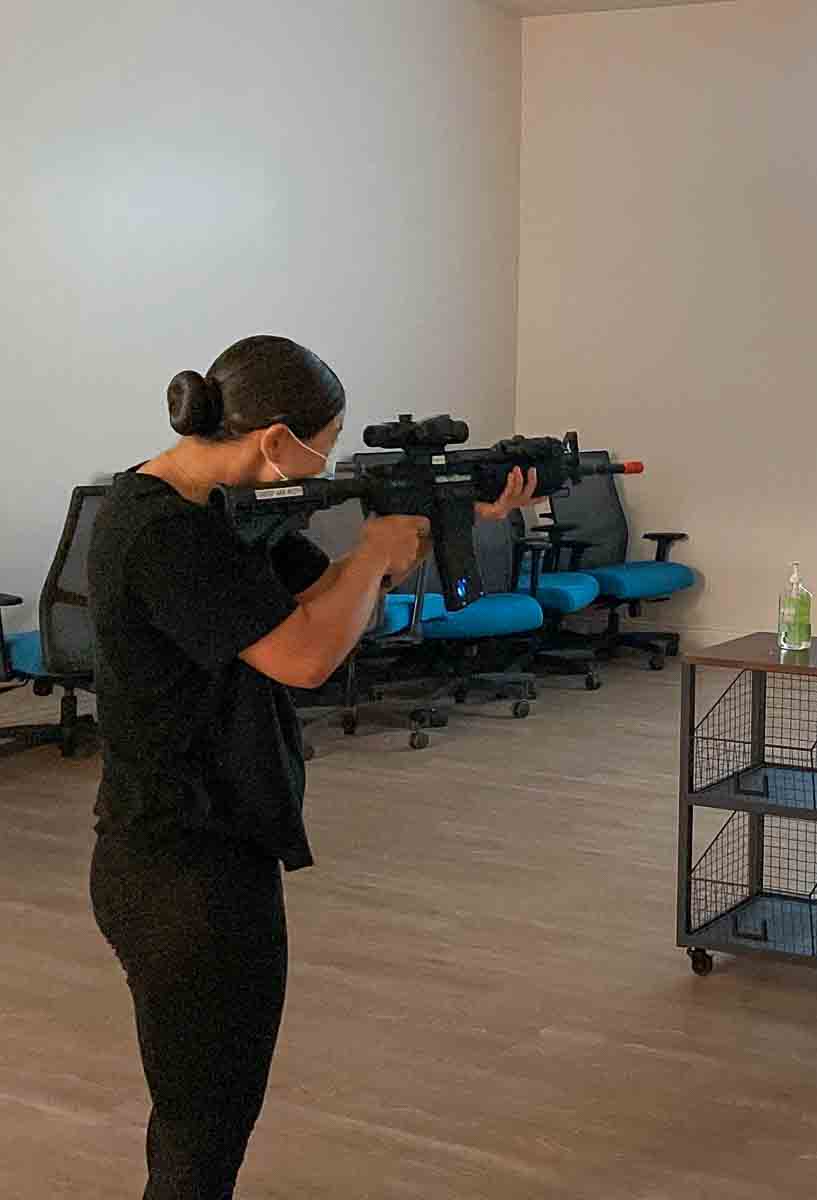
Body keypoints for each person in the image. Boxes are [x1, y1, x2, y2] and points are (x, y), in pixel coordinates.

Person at [86, 335, 535, 1199]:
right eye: (324, 448)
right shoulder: (160, 532)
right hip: (179, 867)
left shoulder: (221, 512)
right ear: (275, 441)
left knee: (208, 1117)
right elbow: (302, 656)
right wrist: (372, 556)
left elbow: (312, 597)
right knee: (200, 1131)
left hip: (214, 845)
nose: (326, 466)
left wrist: (443, 522)